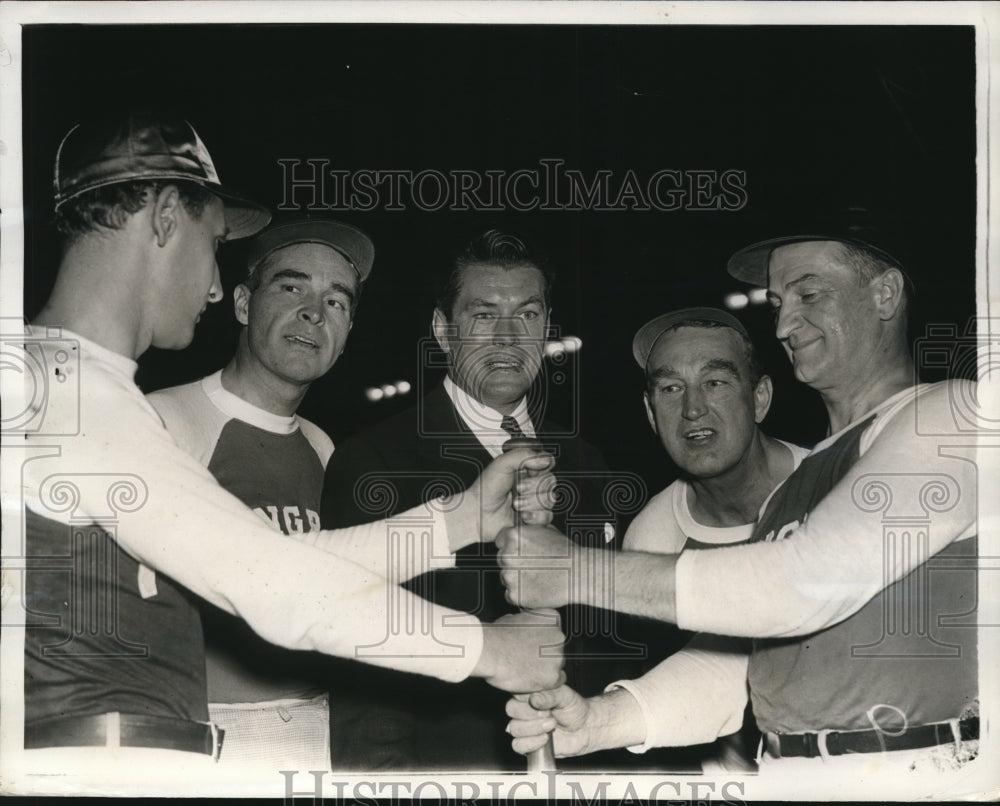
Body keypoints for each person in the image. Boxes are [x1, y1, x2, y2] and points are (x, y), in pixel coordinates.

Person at [17, 110, 565, 782]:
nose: (215, 286)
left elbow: (271, 559)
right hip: (98, 769)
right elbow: (275, 589)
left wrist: (460, 520)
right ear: (164, 217)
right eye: (213, 244)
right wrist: (486, 650)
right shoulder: (71, 395)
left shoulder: (58, 382)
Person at [500, 223, 979, 779]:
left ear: (885, 294)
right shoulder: (791, 492)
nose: (783, 323)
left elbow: (803, 586)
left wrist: (577, 571)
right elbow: (739, 669)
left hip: (917, 772)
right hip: (793, 776)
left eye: (809, 294)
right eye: (777, 303)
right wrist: (600, 721)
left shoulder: (951, 417)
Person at [321, 229, 622, 771]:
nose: (508, 337)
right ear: (443, 329)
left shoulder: (589, 462)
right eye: (484, 315)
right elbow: (361, 668)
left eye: (527, 315)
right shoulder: (375, 462)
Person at [505, 307, 809, 770]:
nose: (692, 408)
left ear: (760, 397)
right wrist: (599, 721)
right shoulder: (651, 537)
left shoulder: (833, 484)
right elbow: (721, 669)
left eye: (716, 382)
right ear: (650, 412)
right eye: (670, 388)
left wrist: (574, 570)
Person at [146, 219, 375, 769]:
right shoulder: (165, 420)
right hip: (211, 733)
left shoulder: (324, 447)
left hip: (321, 726)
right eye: (292, 288)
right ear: (244, 304)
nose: (314, 313)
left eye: (336, 302)